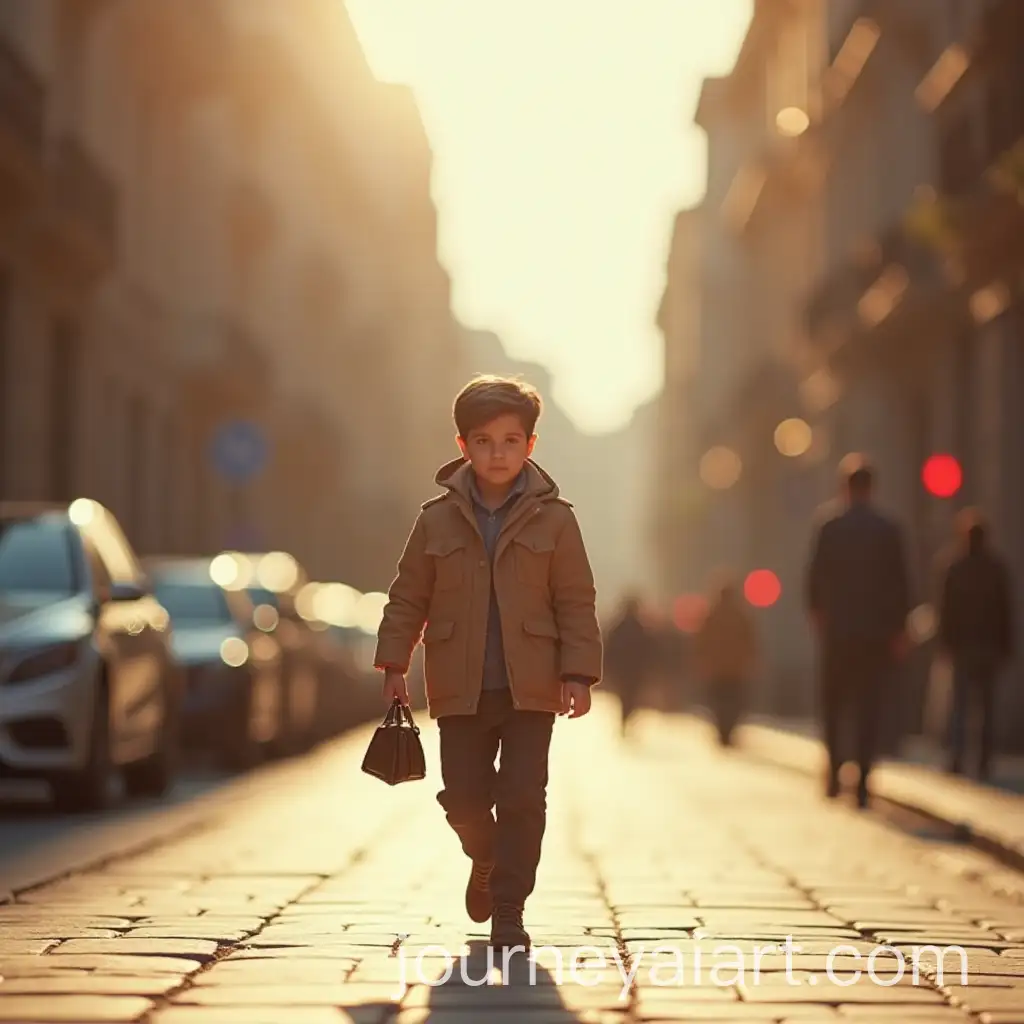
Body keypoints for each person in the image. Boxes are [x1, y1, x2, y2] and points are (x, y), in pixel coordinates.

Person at [373, 374, 603, 953]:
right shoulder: (435, 519)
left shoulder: (557, 519)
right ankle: (485, 856)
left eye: (509, 440)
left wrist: (577, 673)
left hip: (533, 688)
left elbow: (575, 599)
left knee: (525, 796)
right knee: (465, 797)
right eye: (483, 441)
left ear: (530, 444)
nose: (496, 453)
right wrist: (394, 661)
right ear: (462, 445)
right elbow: (408, 596)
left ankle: (508, 907)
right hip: (460, 685)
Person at [805, 453, 912, 808]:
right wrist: (898, 630)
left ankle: (835, 773)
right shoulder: (888, 530)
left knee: (835, 705)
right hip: (874, 635)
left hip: (838, 633)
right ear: (871, 488)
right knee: (869, 706)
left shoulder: (829, 526)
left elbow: (814, 579)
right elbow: (901, 584)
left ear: (845, 488)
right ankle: (863, 780)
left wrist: (819, 616)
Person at [936, 508, 1014, 780]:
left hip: (963, 647)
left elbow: (946, 610)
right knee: (985, 708)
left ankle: (957, 757)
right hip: (989, 648)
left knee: (960, 705)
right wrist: (1007, 646)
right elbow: (1005, 610)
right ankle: (983, 761)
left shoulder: (954, 567)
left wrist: (945, 643)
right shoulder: (996, 568)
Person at [693, 575, 758, 746]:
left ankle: (722, 728)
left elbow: (701, 640)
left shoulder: (711, 615)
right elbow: (750, 640)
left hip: (717, 668)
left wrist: (702, 659)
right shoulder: (740, 615)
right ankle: (728, 729)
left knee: (718, 701)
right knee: (734, 701)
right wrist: (751, 660)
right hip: (736, 668)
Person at [604, 593, 656, 737]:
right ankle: (627, 718)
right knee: (631, 697)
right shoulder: (641, 627)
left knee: (625, 697)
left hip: (623, 670)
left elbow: (609, 649)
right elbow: (649, 650)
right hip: (634, 670)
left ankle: (625, 719)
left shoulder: (618, 627)